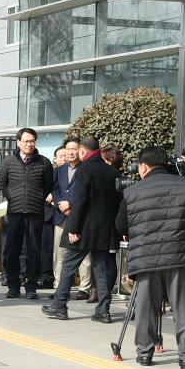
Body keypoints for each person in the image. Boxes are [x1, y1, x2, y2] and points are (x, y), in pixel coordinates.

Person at [116, 146, 185, 368]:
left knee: (145, 308)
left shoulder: (132, 191)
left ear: (143, 166)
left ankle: (144, 354)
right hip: (181, 257)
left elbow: (120, 224)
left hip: (146, 258)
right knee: (184, 307)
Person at [42, 136, 122, 323]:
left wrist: (73, 228)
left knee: (69, 265)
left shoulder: (84, 169)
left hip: (85, 228)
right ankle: (103, 310)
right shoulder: (113, 172)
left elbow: (80, 201)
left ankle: (59, 305)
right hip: (105, 228)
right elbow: (118, 202)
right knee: (101, 269)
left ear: (83, 151)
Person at [0, 128, 54, 300]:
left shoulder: (44, 162)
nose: (29, 144)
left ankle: (31, 286)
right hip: (14, 211)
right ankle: (13, 285)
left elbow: (48, 186)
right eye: (26, 141)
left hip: (35, 212)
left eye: (32, 141)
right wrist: (14, 198)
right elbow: (2, 185)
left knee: (34, 250)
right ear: (18, 142)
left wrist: (36, 199)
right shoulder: (8, 162)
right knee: (12, 249)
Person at [51, 138, 93, 303]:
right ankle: (59, 286)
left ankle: (84, 288)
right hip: (61, 216)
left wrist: (71, 204)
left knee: (84, 255)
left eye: (74, 149)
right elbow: (54, 189)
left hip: (80, 216)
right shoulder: (60, 170)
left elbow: (87, 193)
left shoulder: (86, 169)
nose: (70, 152)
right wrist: (61, 203)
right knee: (59, 254)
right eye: (67, 149)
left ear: (80, 150)